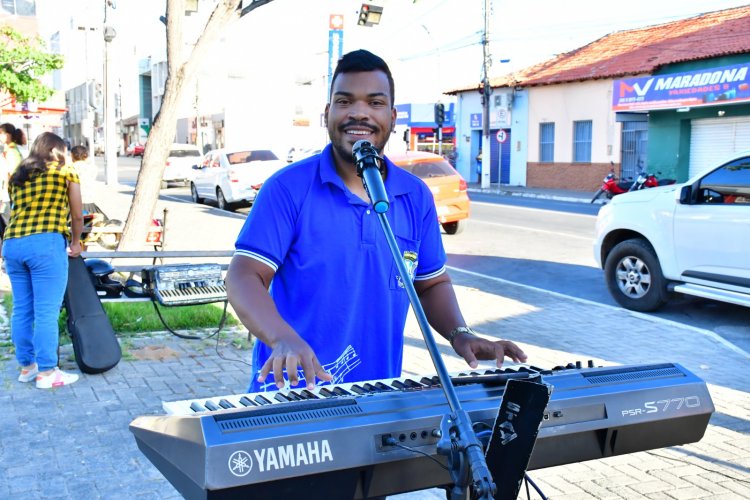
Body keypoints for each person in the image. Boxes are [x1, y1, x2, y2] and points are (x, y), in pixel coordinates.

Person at [226, 49, 527, 394]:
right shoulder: (287, 188)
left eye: (374, 103)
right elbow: (244, 276)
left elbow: (430, 283)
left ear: (393, 116)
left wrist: (460, 334)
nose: (359, 113)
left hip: (377, 398)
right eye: (344, 101)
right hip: (290, 398)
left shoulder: (415, 196)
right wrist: (282, 338)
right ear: (327, 113)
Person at [2, 132, 83, 389]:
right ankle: (47, 373)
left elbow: (14, 210)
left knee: (23, 308)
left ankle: (27, 367)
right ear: (59, 150)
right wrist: (76, 242)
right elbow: (78, 215)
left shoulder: (17, 175)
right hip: (46, 244)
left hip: (13, 243)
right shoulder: (65, 171)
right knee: (46, 311)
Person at [0, 123, 26, 240]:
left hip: (8, 196)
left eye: (1, 134)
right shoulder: (12, 150)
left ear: (8, 135)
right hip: (10, 194)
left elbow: (12, 175)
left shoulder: (11, 151)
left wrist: (4, 192)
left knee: (7, 226)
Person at [70, 145, 101, 216]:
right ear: (86, 156)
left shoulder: (69, 168)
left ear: (72, 155)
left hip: (73, 205)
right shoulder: (93, 168)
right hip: (90, 205)